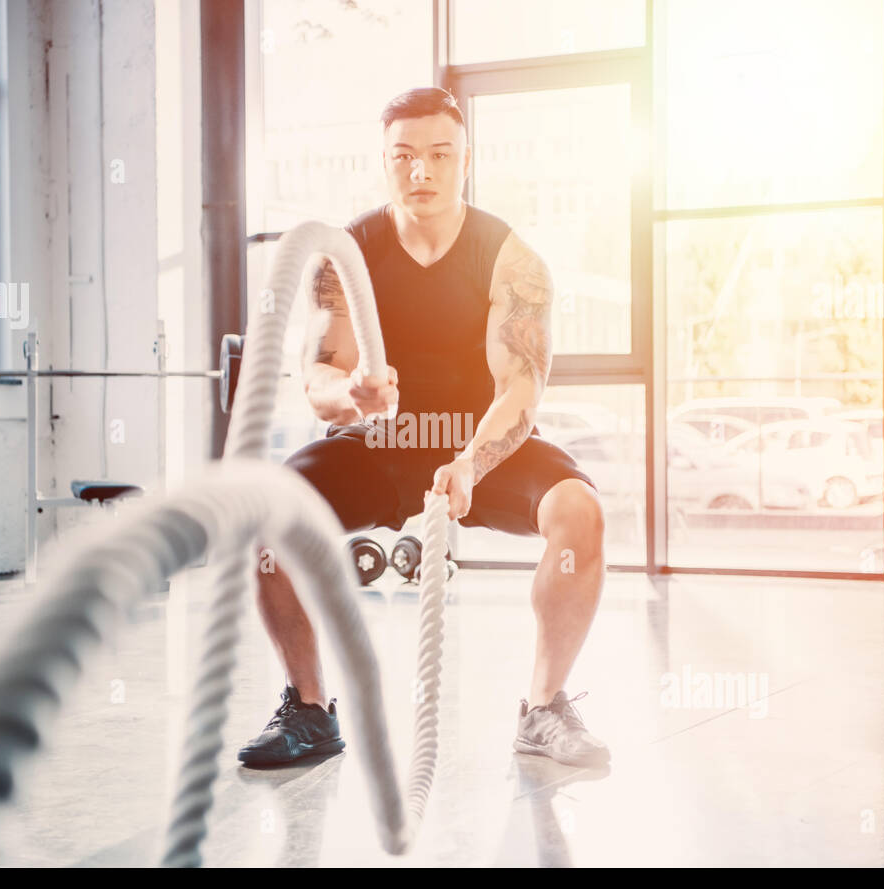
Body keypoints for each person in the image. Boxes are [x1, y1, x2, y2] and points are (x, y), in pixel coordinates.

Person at [241, 87, 609, 769]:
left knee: (579, 513)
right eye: (404, 156)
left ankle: (544, 705)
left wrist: (470, 462)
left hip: (480, 445)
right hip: (377, 443)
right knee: (270, 516)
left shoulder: (511, 259)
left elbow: (521, 390)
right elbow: (317, 380)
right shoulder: (345, 255)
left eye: (439, 154)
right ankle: (311, 709)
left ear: (465, 159)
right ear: (383, 162)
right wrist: (352, 392)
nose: (422, 171)